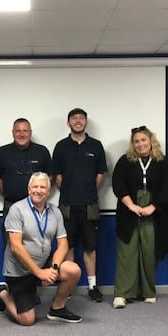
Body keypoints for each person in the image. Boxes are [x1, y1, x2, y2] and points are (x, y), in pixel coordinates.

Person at [0, 172, 82, 325]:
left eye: (42, 187)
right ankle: (3, 293)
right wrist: (40, 273)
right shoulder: (17, 209)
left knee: (73, 270)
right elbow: (15, 247)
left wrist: (54, 269)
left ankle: (57, 308)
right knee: (27, 320)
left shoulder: (55, 212)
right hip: (19, 270)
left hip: (43, 264)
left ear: (48, 191)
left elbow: (63, 244)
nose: (38, 190)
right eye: (35, 187)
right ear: (29, 190)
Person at [111, 126, 168, 309]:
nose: (140, 144)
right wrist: (131, 205)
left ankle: (148, 292)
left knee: (149, 251)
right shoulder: (125, 161)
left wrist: (153, 207)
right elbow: (118, 184)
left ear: (151, 141)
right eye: (136, 141)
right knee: (126, 252)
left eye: (143, 140)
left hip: (154, 212)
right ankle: (122, 294)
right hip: (129, 210)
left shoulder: (163, 162)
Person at [52, 108, 107, 302]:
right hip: (67, 205)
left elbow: (100, 174)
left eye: (81, 118)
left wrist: (87, 191)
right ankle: (69, 287)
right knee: (67, 247)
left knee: (90, 247)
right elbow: (57, 175)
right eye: (74, 118)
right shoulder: (61, 146)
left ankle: (92, 287)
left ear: (86, 122)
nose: (78, 121)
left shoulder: (96, 146)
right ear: (68, 123)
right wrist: (69, 191)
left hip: (89, 205)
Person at [0, 118, 53, 242]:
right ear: (12, 133)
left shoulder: (42, 151)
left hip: (37, 207)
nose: (22, 134)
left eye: (25, 131)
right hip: (11, 205)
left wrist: (40, 194)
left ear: (30, 133)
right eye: (18, 131)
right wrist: (8, 191)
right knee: (11, 244)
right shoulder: (2, 152)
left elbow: (50, 177)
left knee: (37, 244)